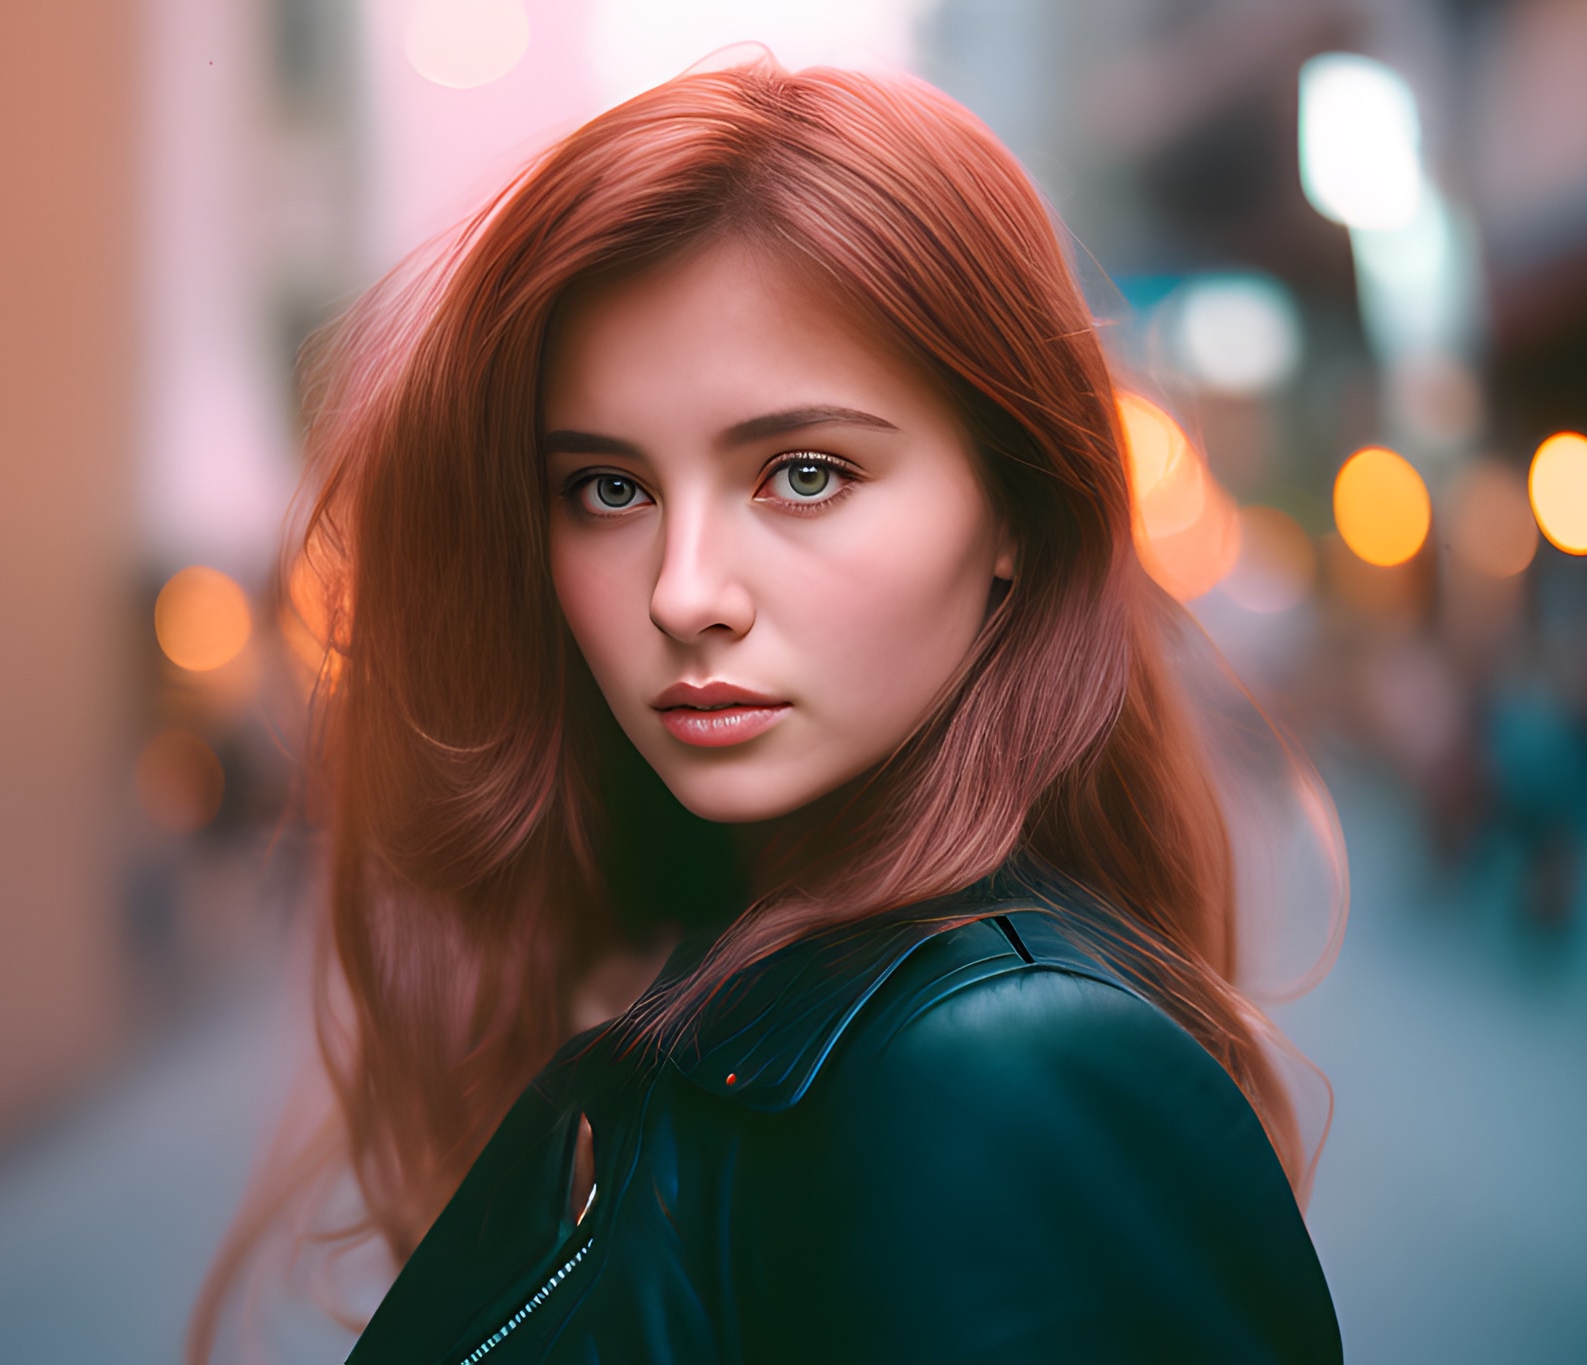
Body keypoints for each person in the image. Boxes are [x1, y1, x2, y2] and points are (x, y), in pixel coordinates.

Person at [194, 54, 1344, 1362]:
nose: (685, 594)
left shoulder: (1008, 1076)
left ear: (1016, 510)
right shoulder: (706, 979)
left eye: (803, 472)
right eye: (609, 490)